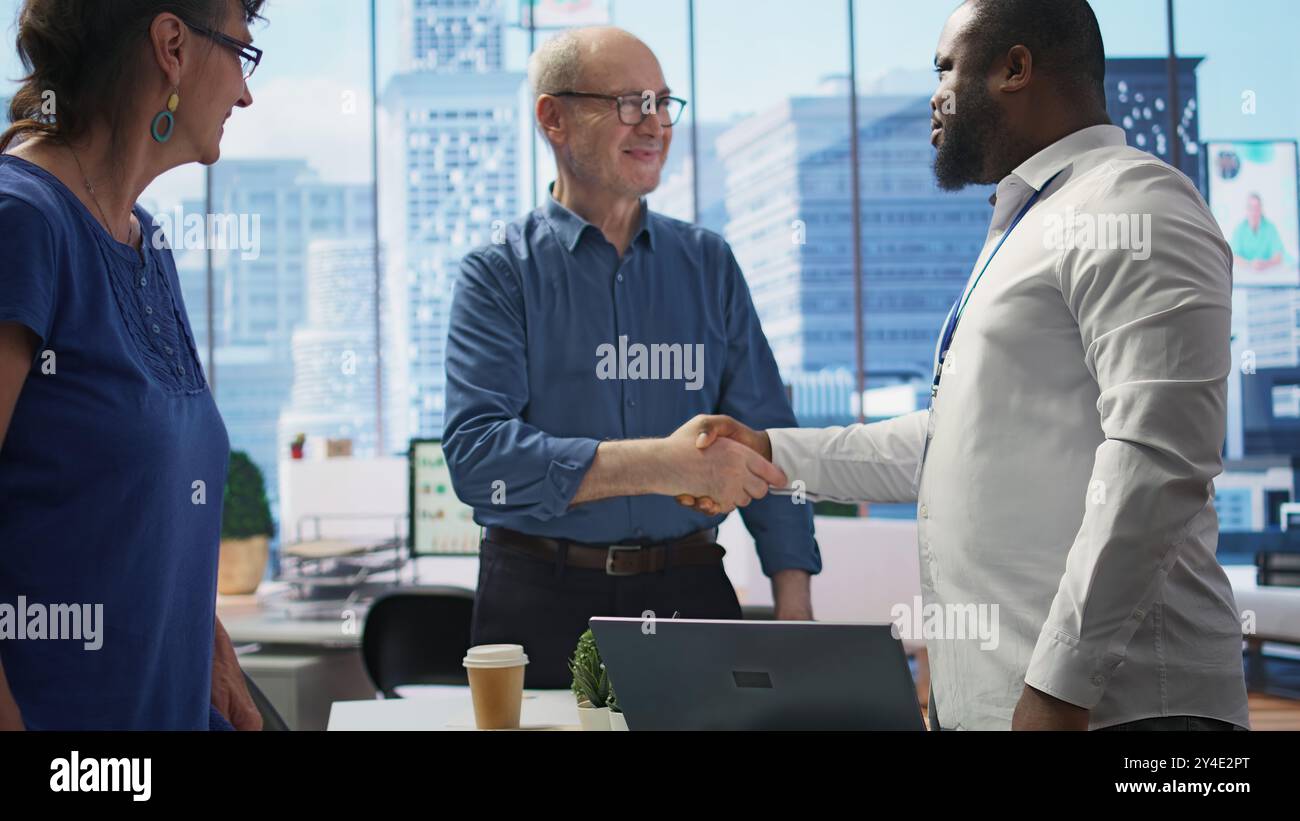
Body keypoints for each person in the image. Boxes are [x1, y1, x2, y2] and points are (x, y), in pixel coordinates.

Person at [683, 0, 1250, 731]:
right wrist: (769, 452)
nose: (934, 94)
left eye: (946, 67)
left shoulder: (1134, 202)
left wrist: (1059, 686)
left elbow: (1157, 464)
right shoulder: (1028, 224)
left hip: (1125, 715)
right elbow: (949, 442)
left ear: (1015, 67)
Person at [442, 27, 819, 688]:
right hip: (538, 597)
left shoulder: (708, 263)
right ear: (552, 118)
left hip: (691, 592)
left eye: (663, 103)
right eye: (628, 103)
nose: (654, 124)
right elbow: (479, 458)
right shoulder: (497, 273)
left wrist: (795, 603)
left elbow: (767, 437)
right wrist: (659, 463)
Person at [0, 0, 266, 730]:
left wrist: (203, 646)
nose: (246, 92)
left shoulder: (145, 241)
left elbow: (134, 512)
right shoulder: (21, 222)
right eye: (241, 54)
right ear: (172, 46)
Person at [1231, 193, 1286, 273]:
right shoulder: (1239, 229)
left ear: (1261, 209)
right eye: (1251, 208)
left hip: (1268, 273)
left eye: (1257, 208)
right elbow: (1233, 256)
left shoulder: (1270, 228)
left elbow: (1279, 256)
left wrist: (1265, 264)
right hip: (1246, 274)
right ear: (1247, 210)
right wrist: (1250, 264)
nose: (1254, 212)